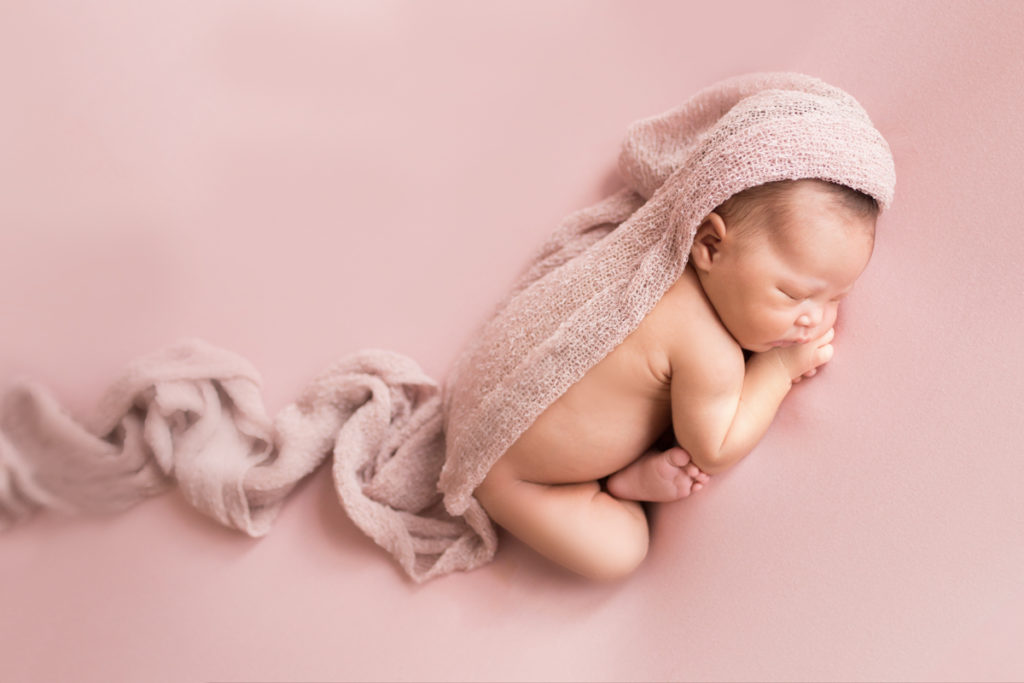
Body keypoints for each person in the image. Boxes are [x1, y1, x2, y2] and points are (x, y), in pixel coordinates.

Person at [472, 177, 878, 580]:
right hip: (519, 478)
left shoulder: (659, 269)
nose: (814, 319)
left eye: (836, 298)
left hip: (504, 406)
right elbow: (714, 449)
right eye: (792, 294)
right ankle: (613, 489)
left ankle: (622, 481)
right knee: (620, 551)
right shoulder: (707, 348)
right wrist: (777, 369)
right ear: (710, 246)